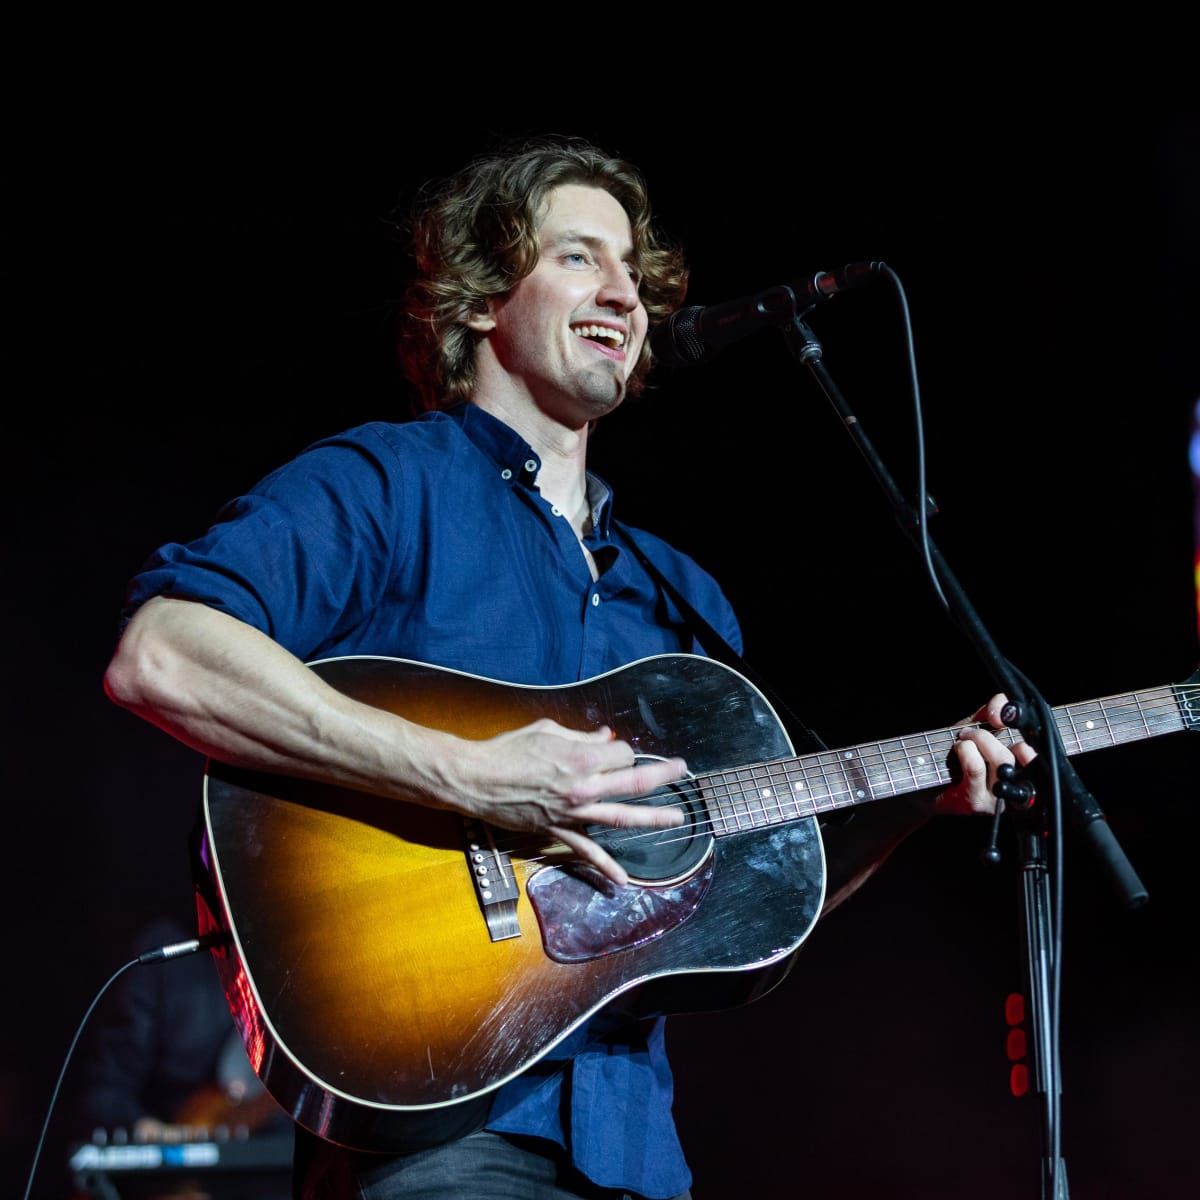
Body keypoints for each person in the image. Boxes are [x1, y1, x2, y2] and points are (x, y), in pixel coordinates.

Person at [104, 137, 1032, 1200]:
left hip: (637, 1154)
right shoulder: (386, 484)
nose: (626, 294)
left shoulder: (680, 594)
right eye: (581, 258)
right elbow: (163, 653)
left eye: (634, 271)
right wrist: (468, 775)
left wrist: (915, 802)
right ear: (482, 296)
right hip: (435, 1138)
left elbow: (737, 907)